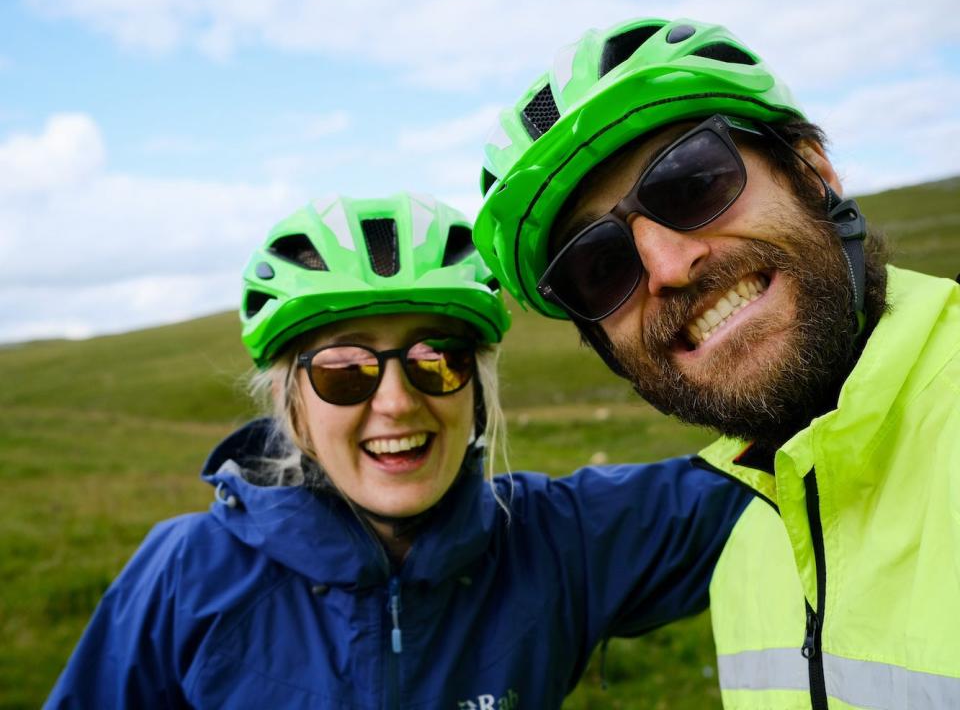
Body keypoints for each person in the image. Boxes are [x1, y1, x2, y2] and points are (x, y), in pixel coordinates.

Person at [45, 192, 750, 708]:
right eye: (344, 371)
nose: (395, 402)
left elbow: (772, 474)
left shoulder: (556, 541)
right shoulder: (185, 574)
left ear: (474, 389)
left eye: (436, 360)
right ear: (292, 402)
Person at [473, 16, 960, 709]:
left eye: (692, 183)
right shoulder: (743, 552)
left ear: (813, 173)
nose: (667, 266)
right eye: (601, 266)